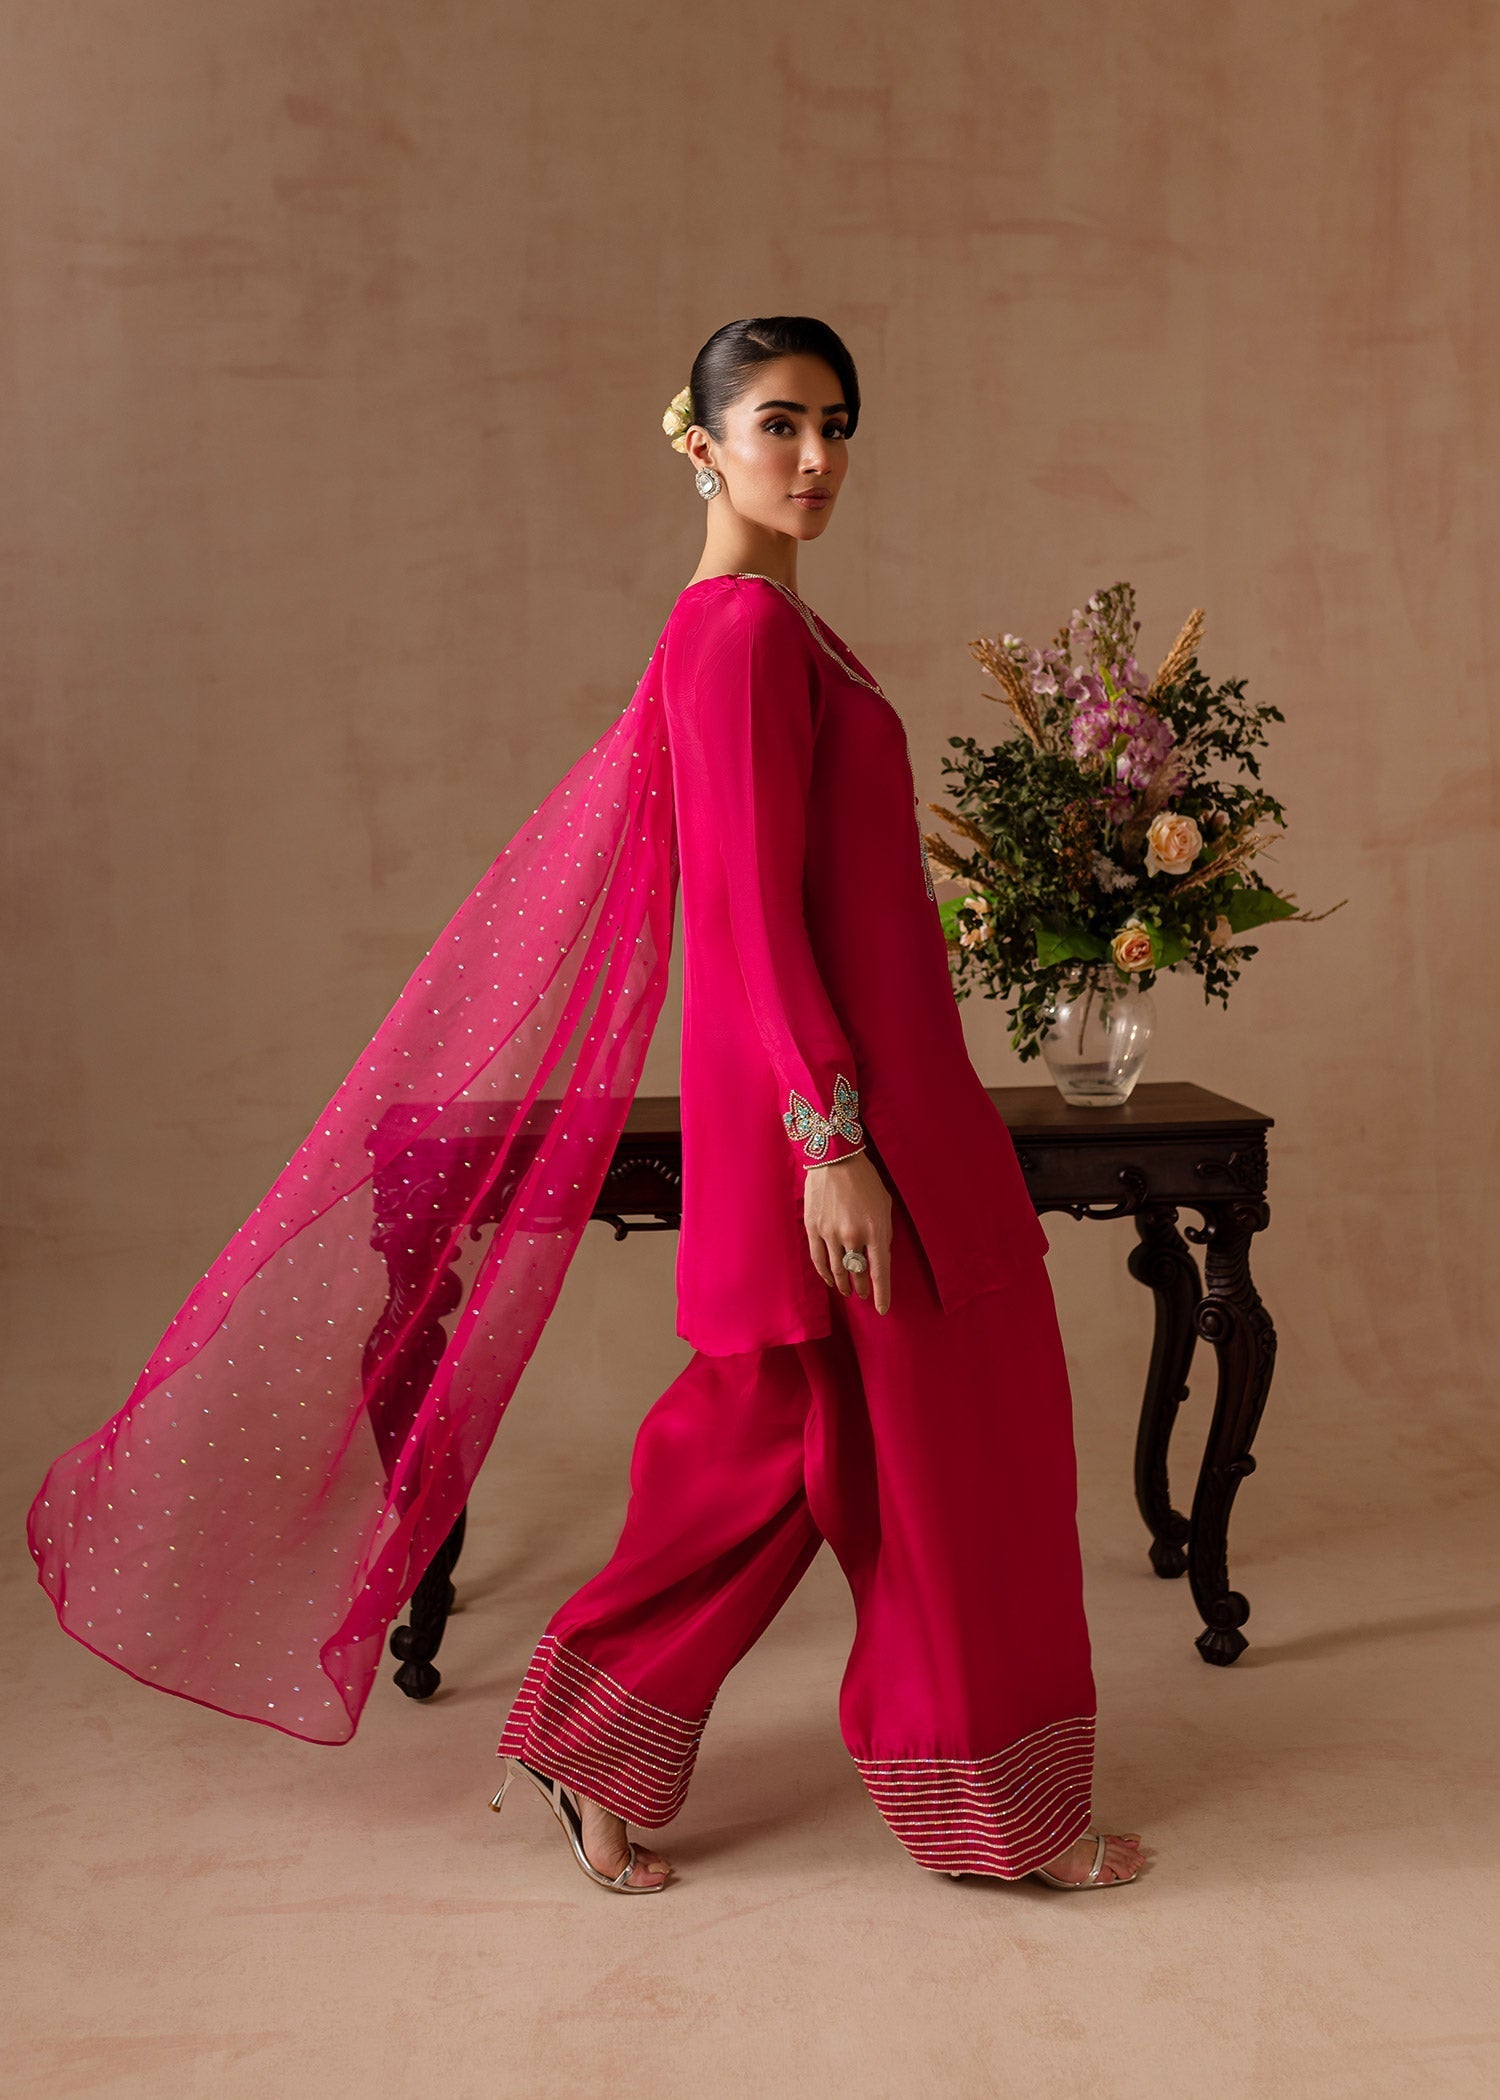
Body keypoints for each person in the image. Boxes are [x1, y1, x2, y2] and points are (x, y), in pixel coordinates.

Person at [490, 317, 1147, 1895]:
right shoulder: (735, 635)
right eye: (778, 423)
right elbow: (740, 915)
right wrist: (829, 1142)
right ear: (700, 443)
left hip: (885, 1102)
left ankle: (590, 1741)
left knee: (784, 1442)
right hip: (846, 1124)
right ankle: (999, 1815)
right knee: (940, 1448)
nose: (816, 456)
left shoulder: (785, 628)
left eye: (836, 423)